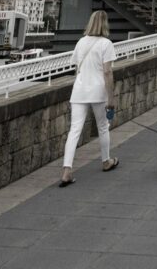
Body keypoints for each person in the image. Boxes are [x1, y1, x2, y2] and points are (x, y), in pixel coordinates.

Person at [59, 10, 118, 186]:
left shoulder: (81, 42)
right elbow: (107, 72)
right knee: (102, 126)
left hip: (79, 90)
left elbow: (77, 67)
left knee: (74, 130)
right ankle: (106, 161)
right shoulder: (106, 44)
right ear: (105, 24)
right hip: (98, 91)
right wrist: (111, 97)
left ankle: (66, 171)